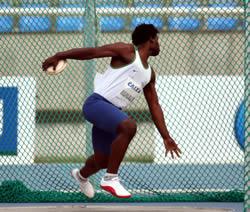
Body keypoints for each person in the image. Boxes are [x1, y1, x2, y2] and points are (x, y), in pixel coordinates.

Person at [42, 24, 181, 199]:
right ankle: (111, 178)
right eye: (158, 39)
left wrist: (166, 137)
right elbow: (92, 52)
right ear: (151, 39)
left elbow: (154, 105)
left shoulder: (149, 74)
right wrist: (59, 55)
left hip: (111, 114)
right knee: (129, 126)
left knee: (102, 160)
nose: (159, 44)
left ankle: (81, 176)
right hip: (97, 104)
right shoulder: (127, 51)